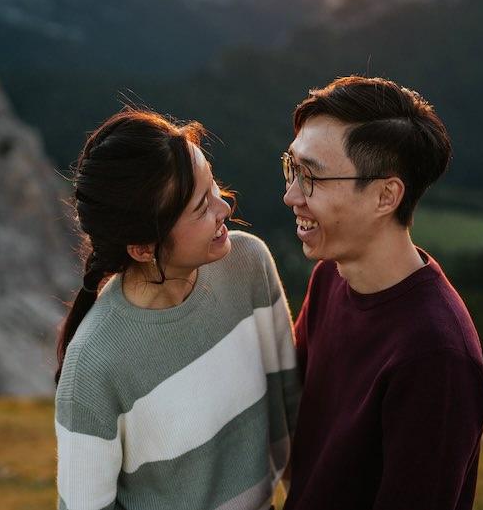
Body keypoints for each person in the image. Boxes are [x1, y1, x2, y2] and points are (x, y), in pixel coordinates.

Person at [54, 108, 300, 510]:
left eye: (213, 185)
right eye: (201, 207)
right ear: (143, 248)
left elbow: (291, 411)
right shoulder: (94, 365)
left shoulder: (248, 263)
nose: (224, 207)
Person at [280, 76, 483, 510]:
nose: (290, 196)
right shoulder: (330, 276)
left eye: (311, 178)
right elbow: (291, 416)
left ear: (385, 196)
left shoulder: (437, 357)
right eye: (291, 167)